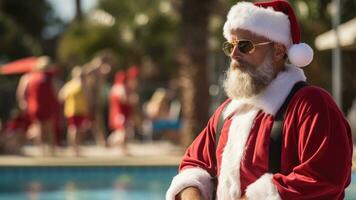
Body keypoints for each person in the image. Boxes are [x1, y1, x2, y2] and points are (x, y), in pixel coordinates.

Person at [166, 1, 353, 200]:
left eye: (245, 45)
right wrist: (192, 194)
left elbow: (325, 177)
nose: (235, 55)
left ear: (279, 51)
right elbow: (194, 165)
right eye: (230, 45)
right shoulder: (228, 112)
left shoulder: (311, 105)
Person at [16, 56, 60, 156]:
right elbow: (56, 91)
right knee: (48, 128)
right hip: (45, 106)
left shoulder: (28, 77)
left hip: (35, 106)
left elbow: (21, 92)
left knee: (40, 127)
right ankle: (50, 150)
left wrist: (23, 103)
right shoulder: (49, 77)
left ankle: (43, 150)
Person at [58, 66, 90, 156]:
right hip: (74, 110)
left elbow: (61, 96)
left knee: (76, 129)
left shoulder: (70, 84)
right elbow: (61, 96)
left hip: (78, 110)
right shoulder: (77, 84)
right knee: (74, 129)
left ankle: (75, 147)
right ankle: (74, 148)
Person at [107, 71, 132, 154]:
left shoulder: (114, 87)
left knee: (120, 131)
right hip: (120, 113)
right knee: (122, 131)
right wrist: (132, 100)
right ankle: (123, 149)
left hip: (116, 112)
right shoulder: (121, 87)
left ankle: (111, 143)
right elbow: (123, 100)